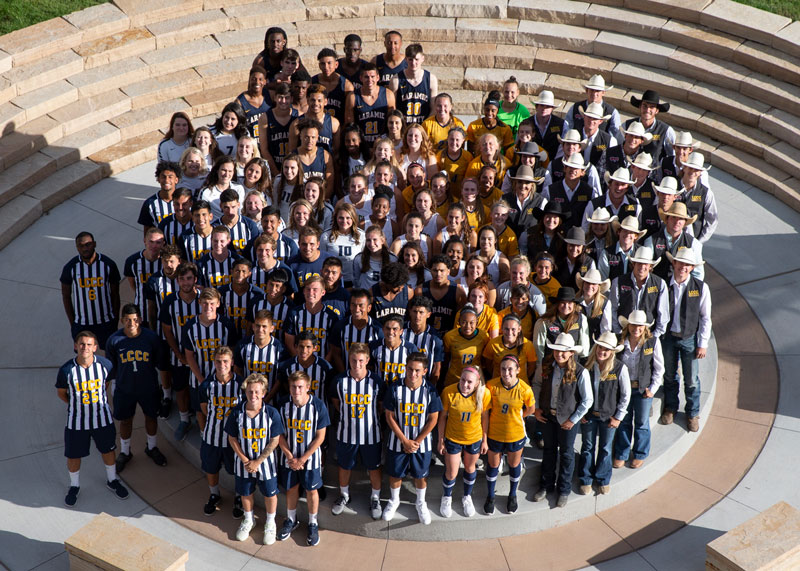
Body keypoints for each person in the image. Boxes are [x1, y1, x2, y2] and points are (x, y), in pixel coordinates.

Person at [57, 331, 129, 507]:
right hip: (76, 421)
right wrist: (77, 404)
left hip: (102, 419)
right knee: (74, 455)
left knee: (108, 450)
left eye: (89, 344)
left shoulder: (105, 366)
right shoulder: (66, 370)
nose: (85, 348)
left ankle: (112, 480)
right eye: (82, 344)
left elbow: (106, 384)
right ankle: (74, 486)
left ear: (95, 347)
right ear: (75, 346)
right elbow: (62, 394)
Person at [532, 333, 592, 507]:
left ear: (571, 352)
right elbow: (536, 385)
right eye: (557, 350)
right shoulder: (545, 366)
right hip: (547, 416)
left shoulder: (581, 372)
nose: (560, 354)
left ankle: (564, 490)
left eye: (564, 351)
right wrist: (536, 407)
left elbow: (587, 400)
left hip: (567, 419)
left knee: (566, 454)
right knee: (549, 451)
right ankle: (546, 486)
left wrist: (573, 419)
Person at [106, 304, 167, 474]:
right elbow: (112, 366)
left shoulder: (151, 338)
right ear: (122, 320)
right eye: (127, 320)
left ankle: (152, 447)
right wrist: (113, 385)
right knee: (125, 420)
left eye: (134, 319)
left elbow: (158, 362)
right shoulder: (114, 340)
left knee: (151, 416)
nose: (131, 323)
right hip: (125, 388)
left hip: (148, 387)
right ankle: (125, 451)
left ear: (140, 319)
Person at [382, 352, 442, 523]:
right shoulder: (395, 387)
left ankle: (420, 503)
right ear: (405, 367)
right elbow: (389, 416)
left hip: (421, 444)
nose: (412, 374)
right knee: (395, 473)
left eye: (417, 370)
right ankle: (394, 501)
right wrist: (404, 440)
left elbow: (434, 418)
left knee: (420, 475)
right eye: (410, 369)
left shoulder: (430, 390)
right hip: (398, 441)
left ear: (424, 371)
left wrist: (418, 441)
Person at [225, 373, 284, 544]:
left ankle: (270, 523)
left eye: (257, 392)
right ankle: (249, 519)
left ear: (264, 393)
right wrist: (245, 460)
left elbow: (275, 440)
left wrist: (258, 461)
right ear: (245, 392)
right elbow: (232, 438)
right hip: (243, 463)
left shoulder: (272, 413)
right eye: (250, 391)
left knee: (270, 494)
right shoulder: (237, 412)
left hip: (266, 465)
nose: (253, 395)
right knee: (245, 492)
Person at [331, 343, 387, 520]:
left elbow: (380, 407)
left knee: (374, 467)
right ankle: (344, 495)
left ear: (368, 360)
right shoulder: (339, 381)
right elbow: (336, 403)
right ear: (349, 359)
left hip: (372, 434)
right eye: (353, 360)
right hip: (346, 433)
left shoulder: (376, 382)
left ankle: (375, 498)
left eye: (361, 361)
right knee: (344, 465)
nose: (357, 364)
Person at [660, 248, 711, 432]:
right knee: (669, 375)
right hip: (668, 338)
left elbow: (706, 317)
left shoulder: (701, 287)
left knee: (691, 380)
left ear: (691, 267)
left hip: (689, 339)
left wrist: (702, 343)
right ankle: (671, 407)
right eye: (680, 263)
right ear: (674, 263)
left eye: (687, 264)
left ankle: (692, 412)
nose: (683, 267)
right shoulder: (664, 284)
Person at [276, 371, 329, 546]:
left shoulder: (318, 406)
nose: (296, 390)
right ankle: (291, 520)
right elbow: (279, 434)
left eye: (300, 387)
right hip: (289, 458)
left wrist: (303, 459)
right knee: (291, 489)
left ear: (308, 387)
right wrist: (290, 456)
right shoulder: (283, 404)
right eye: (293, 386)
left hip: (310, 459)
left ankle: (313, 522)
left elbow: (320, 437)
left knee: (311, 491)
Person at [578, 332, 629, 495]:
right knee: (587, 447)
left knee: (606, 448)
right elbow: (577, 391)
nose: (602, 351)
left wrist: (618, 417)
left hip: (609, 416)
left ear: (612, 352)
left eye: (607, 349)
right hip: (589, 414)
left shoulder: (620, 367)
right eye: (600, 347)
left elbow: (625, 395)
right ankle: (585, 478)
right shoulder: (585, 364)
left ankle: (602, 479)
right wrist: (580, 413)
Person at [484, 355, 536, 514]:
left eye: (510, 369)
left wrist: (518, 417)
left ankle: (512, 495)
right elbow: (486, 413)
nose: (506, 373)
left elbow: (531, 409)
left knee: (514, 465)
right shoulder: (491, 386)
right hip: (495, 433)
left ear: (518, 370)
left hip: (515, 434)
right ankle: (491, 496)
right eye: (503, 369)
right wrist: (484, 437)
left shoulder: (525, 389)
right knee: (493, 465)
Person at [614, 310, 664, 469]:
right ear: (628, 326)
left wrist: (652, 389)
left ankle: (640, 453)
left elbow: (659, 368)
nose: (637, 328)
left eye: (640, 326)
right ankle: (622, 453)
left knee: (642, 422)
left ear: (645, 327)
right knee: (624, 421)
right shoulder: (620, 341)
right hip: (624, 389)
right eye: (634, 325)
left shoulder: (653, 342)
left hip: (643, 390)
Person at [182, 287, 239, 429]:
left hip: (223, 378)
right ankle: (203, 433)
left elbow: (232, 353)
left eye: (212, 303)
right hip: (198, 378)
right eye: (205, 303)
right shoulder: (190, 326)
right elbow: (189, 356)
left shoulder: (227, 325)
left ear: (218, 304)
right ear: (200, 302)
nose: (208, 307)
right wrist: (202, 380)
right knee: (200, 410)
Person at [437, 366, 489, 518]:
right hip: (453, 438)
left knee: (470, 467)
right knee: (451, 472)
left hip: (474, 439)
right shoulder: (449, 391)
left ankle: (467, 496)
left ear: (477, 383)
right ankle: (446, 497)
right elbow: (442, 417)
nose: (465, 385)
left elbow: (485, 418)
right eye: (462, 380)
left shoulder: (484, 394)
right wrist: (441, 440)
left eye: (469, 382)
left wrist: (485, 440)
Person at [198, 346, 244, 518]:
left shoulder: (241, 384)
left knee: (236, 470)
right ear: (214, 362)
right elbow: (203, 410)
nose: (221, 364)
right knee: (211, 468)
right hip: (212, 436)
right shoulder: (206, 386)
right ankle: (214, 494)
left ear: (231, 363)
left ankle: (239, 498)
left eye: (225, 361)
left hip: (234, 440)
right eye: (218, 361)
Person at [159, 262, 202, 441]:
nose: (186, 282)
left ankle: (202, 424)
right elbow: (167, 330)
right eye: (182, 279)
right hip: (180, 357)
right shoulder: (170, 301)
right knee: (181, 388)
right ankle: (184, 420)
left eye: (189, 278)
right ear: (177, 281)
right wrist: (177, 353)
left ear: (195, 279)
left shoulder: (203, 299)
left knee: (201, 390)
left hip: (201, 356)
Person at [60, 231, 121, 349]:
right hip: (82, 324)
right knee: (84, 358)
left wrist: (114, 319)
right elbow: (66, 296)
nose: (85, 249)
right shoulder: (70, 267)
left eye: (88, 245)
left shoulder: (108, 264)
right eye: (81, 246)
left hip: (106, 322)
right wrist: (73, 323)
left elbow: (115, 294)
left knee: (111, 354)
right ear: (77, 248)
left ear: (94, 244)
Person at [608, 245, 669, 338]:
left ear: (650, 266)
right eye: (639, 263)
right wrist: (619, 333)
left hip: (648, 334)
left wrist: (654, 336)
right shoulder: (618, 282)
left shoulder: (660, 284)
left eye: (646, 264)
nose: (642, 267)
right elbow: (612, 309)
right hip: (624, 333)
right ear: (633, 264)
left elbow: (663, 314)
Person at [234, 309, 285, 404]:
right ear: (253, 326)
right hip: (248, 399)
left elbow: (280, 379)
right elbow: (237, 370)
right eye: (257, 326)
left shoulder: (280, 349)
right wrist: (248, 391)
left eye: (264, 326)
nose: (260, 329)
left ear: (272, 328)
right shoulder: (242, 346)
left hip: (272, 401)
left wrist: (267, 398)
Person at [327, 289, 383, 373]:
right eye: (353, 305)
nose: (357, 309)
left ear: (369, 308)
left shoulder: (378, 329)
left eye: (361, 305)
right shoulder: (340, 327)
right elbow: (336, 353)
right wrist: (345, 374)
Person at [283, 275, 339, 358]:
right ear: (304, 291)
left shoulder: (331, 316)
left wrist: (322, 365)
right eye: (308, 289)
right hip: (299, 364)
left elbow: (333, 348)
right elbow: (289, 343)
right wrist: (301, 362)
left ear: (323, 292)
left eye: (315, 290)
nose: (310, 293)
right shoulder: (294, 314)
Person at [345, 63, 396, 147]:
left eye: (372, 77)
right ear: (360, 78)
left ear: (378, 77)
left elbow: (392, 122)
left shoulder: (388, 95)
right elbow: (350, 127)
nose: (369, 80)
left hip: (383, 144)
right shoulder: (353, 97)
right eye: (366, 77)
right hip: (362, 145)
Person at [124, 228, 164, 327]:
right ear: (145, 241)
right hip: (141, 313)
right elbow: (133, 285)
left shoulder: (166, 261)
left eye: (158, 242)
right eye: (151, 242)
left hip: (162, 314)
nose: (154, 246)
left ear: (163, 243)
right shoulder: (132, 261)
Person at [443, 303, 491, 387]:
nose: (468, 326)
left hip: (475, 381)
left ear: (477, 322)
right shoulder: (449, 337)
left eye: (471, 323)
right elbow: (446, 359)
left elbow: (486, 360)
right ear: (459, 322)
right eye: (464, 322)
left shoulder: (484, 336)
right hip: (454, 380)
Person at [390, 43, 438, 125]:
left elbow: (433, 108)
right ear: (406, 59)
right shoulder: (396, 80)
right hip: (403, 126)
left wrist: (424, 126)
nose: (413, 63)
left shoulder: (431, 79)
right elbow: (392, 109)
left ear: (423, 58)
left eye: (416, 59)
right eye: (410, 59)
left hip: (423, 126)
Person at [416, 254, 465, 334]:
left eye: (442, 271)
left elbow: (462, 317)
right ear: (430, 271)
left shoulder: (458, 291)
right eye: (435, 270)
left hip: (450, 336)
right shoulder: (420, 290)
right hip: (426, 335)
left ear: (448, 271)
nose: (438, 274)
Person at [482, 314, 537, 382]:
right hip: (497, 385)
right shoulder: (493, 344)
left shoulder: (527, 345)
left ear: (519, 329)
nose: (509, 333)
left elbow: (531, 367)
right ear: (501, 328)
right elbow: (488, 365)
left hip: (520, 386)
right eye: (506, 329)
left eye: (513, 329)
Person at [259, 83, 299, 176]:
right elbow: (264, 150)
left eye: (287, 97)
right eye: (280, 97)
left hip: (293, 167)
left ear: (292, 99)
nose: (283, 101)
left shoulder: (298, 116)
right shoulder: (265, 117)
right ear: (275, 98)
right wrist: (276, 173)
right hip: (273, 165)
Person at [564, 74, 620, 140]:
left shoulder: (612, 112)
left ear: (603, 92)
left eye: (597, 91)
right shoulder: (575, 108)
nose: (594, 93)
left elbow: (615, 136)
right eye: (592, 90)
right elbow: (566, 129)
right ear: (587, 91)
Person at [625, 89, 675, 162]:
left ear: (657, 110)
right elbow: (619, 148)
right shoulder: (627, 125)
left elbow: (672, 157)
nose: (647, 110)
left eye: (652, 107)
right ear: (640, 107)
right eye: (645, 106)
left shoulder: (666, 130)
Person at [678, 152, 718, 243]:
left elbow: (712, 220)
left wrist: (699, 242)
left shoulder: (706, 193)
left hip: (693, 241)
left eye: (696, 170)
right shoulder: (672, 186)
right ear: (684, 168)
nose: (692, 172)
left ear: (700, 173)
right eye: (690, 168)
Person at [370, 313, 418, 386]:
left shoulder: (410, 348)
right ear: (383, 329)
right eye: (388, 328)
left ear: (401, 331)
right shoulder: (374, 346)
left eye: (394, 329)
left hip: (401, 391)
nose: (390, 332)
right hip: (379, 391)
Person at [313, 48, 354, 124]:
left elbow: (349, 114)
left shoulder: (346, 86)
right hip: (316, 128)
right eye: (323, 63)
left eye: (329, 63)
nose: (326, 67)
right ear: (319, 65)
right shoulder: (313, 83)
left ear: (336, 64)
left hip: (339, 128)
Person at [138, 162, 180, 234]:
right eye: (163, 177)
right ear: (158, 179)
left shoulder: (186, 201)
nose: (166, 180)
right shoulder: (149, 204)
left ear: (176, 180)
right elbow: (147, 234)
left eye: (170, 177)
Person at [531, 90, 564, 165]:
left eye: (548, 106)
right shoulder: (527, 123)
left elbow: (563, 147)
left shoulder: (562, 124)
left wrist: (553, 165)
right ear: (536, 107)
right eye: (541, 105)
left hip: (554, 165)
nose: (544, 109)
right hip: (531, 164)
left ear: (552, 109)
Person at [236, 66, 270, 138]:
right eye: (254, 79)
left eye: (260, 79)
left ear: (265, 81)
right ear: (249, 80)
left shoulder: (270, 95)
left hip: (269, 142)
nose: (257, 82)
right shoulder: (240, 101)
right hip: (251, 144)